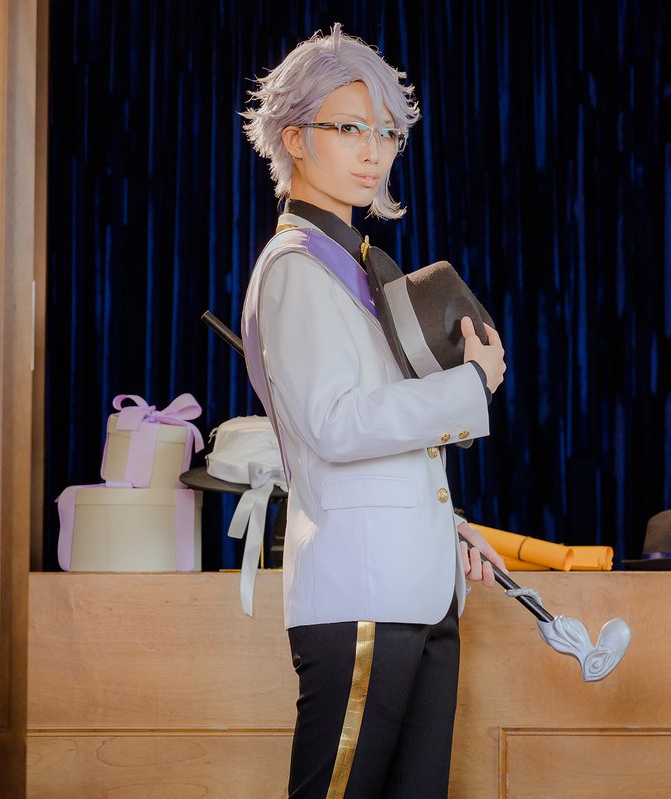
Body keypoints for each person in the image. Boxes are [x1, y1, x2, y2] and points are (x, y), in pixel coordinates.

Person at [239, 23, 507, 799]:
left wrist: (441, 524)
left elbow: (378, 436)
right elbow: (337, 423)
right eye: (349, 129)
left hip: (411, 594)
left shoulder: (352, 269)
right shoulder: (296, 269)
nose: (373, 152)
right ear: (295, 138)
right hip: (363, 601)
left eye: (385, 132)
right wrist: (472, 384)